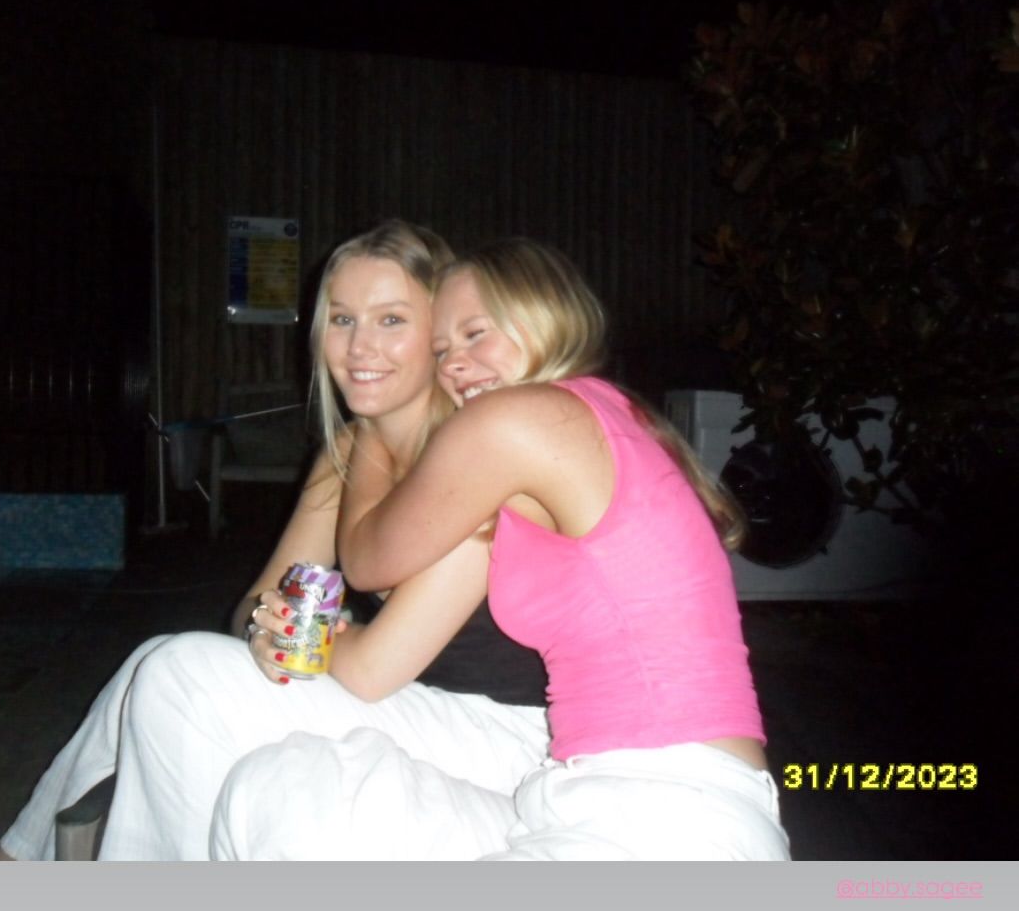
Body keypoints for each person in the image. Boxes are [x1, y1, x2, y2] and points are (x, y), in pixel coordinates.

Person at [210, 239, 790, 861]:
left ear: (542, 316)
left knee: (278, 787)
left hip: (672, 810)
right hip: (578, 783)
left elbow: (367, 563)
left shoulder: (516, 421)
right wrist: (275, 625)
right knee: (266, 782)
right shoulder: (591, 410)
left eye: (476, 334)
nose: (456, 365)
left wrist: (365, 443)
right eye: (443, 350)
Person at [0, 221, 548, 860]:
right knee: (161, 664)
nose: (359, 346)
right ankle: (15, 865)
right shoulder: (348, 452)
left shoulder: (475, 455)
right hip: (414, 705)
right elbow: (257, 605)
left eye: (391, 320)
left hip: (506, 737)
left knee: (178, 674)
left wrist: (311, 636)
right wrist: (269, 627)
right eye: (341, 319)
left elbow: (373, 669)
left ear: (438, 333)